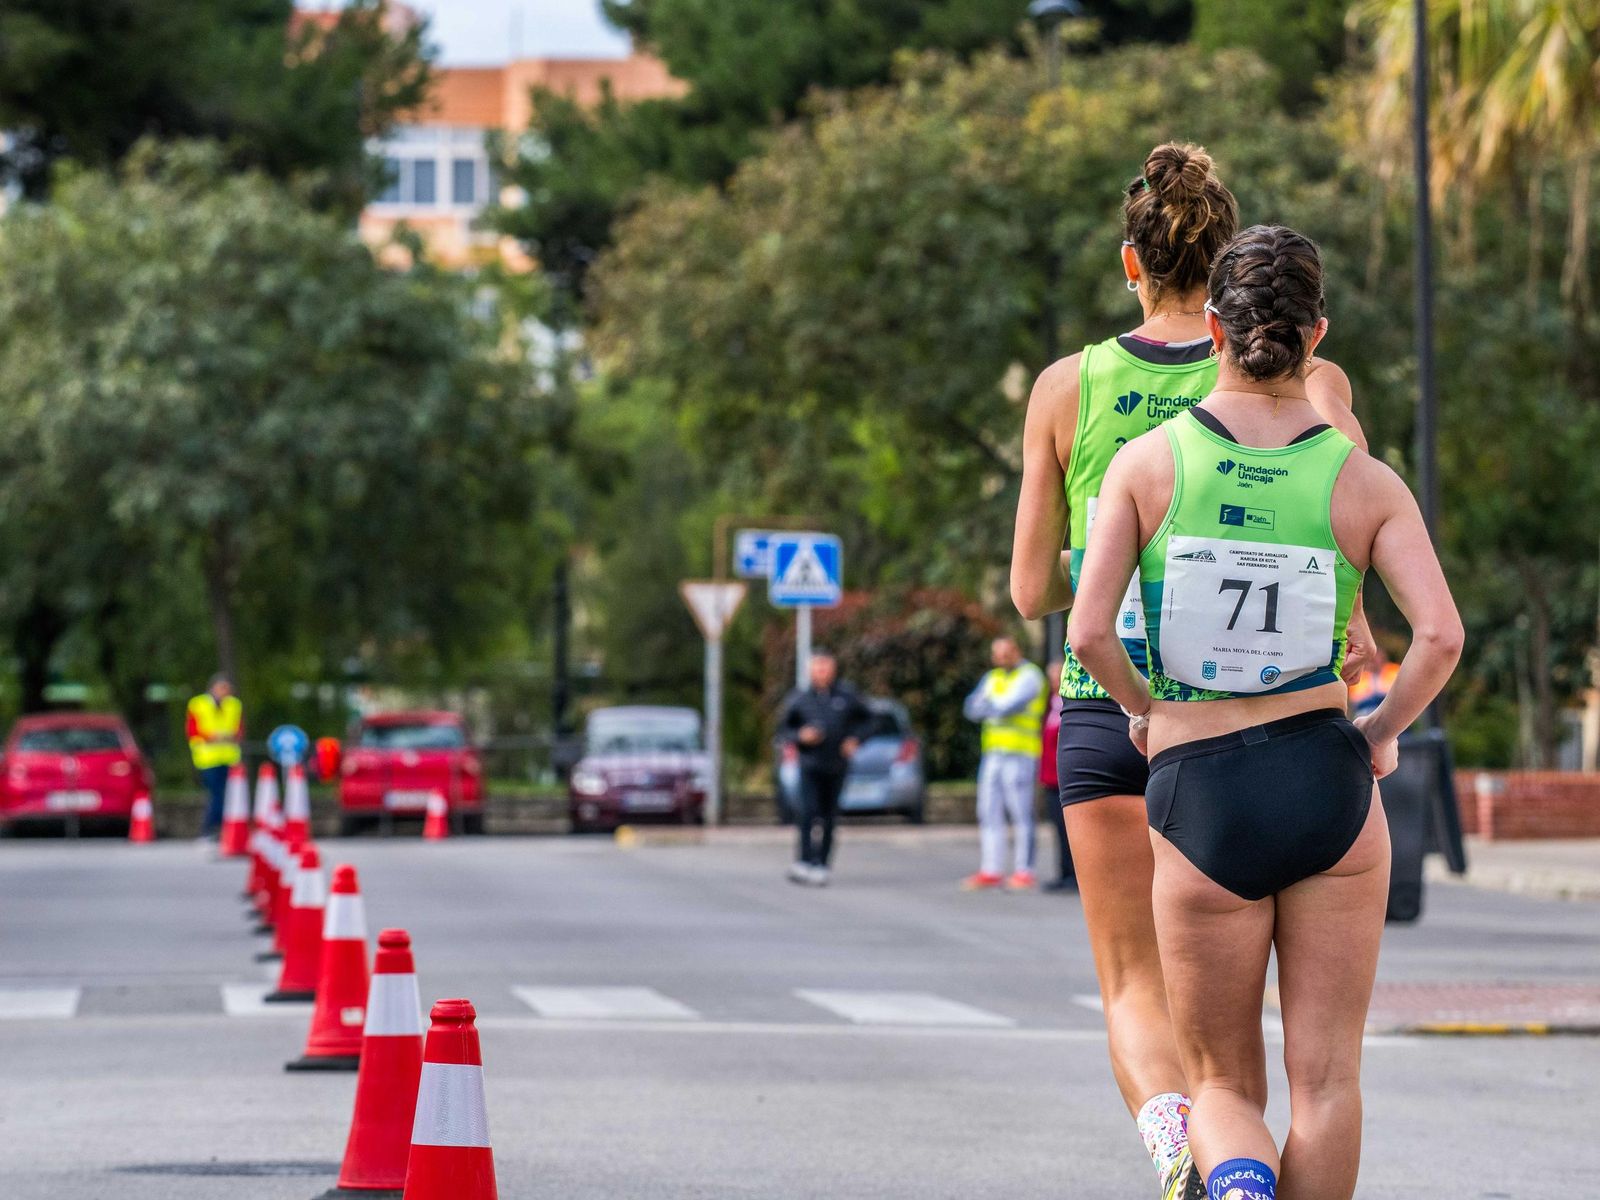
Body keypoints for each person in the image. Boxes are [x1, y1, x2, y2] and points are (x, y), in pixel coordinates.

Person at [1068, 224, 1461, 1200]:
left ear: (1212, 329)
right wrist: (1378, 734)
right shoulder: (1361, 480)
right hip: (1326, 782)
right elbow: (1441, 638)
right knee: (1325, 1084)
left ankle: (1238, 1186)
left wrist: (1145, 712)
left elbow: (1085, 633)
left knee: (1218, 1082)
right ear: (1314, 335)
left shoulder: (1150, 465)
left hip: (1201, 794)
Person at [1009, 144, 1371, 1200]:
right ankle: (1234, 1160)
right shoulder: (1313, 380)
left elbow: (1034, 591)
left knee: (1135, 988)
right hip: (1276, 723)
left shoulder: (1069, 386)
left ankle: (1181, 1152)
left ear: (1132, 262)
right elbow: (1346, 536)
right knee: (1284, 1043)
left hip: (1110, 713)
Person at [777, 650, 871, 886]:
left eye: (826, 667)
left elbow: (871, 720)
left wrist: (855, 739)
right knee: (807, 813)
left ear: (834, 669)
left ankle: (822, 863)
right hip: (810, 764)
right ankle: (804, 861)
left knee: (829, 816)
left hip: (837, 765)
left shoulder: (847, 695)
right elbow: (783, 731)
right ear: (810, 670)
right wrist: (801, 736)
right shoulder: (799, 698)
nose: (822, 672)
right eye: (817, 667)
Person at [961, 636, 1046, 890]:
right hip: (994, 753)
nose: (999, 658)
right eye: (996, 653)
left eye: (1004, 652)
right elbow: (970, 707)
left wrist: (990, 705)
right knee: (988, 810)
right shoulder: (993, 677)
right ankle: (991, 869)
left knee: (1020, 812)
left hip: (1020, 753)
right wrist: (993, 706)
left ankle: (1024, 870)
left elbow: (1009, 706)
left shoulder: (1030, 675)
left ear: (1016, 650)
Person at [187, 673, 243, 838]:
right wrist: (214, 737)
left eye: (228, 689)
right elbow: (192, 731)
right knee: (216, 794)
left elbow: (239, 729)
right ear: (213, 688)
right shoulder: (198, 704)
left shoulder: (234, 705)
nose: (225, 692)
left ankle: (218, 829)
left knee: (225, 795)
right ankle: (210, 828)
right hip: (208, 758)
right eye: (222, 688)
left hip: (229, 757)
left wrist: (231, 737)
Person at [1039, 660, 1076, 891]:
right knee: (1059, 831)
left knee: (1071, 830)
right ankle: (1063, 872)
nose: (1054, 680)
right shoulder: (1048, 703)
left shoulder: (1068, 703)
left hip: (1065, 777)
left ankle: (1074, 875)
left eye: (1058, 675)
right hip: (1050, 777)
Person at [1348, 639, 1400, 716]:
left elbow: (1398, 691)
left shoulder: (1394, 670)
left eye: (1376, 657)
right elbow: (1356, 698)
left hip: (1391, 707)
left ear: (1382, 657)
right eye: (1371, 659)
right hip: (1368, 708)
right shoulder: (1362, 676)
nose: (1373, 661)